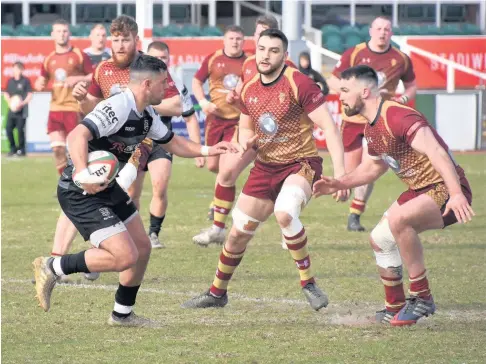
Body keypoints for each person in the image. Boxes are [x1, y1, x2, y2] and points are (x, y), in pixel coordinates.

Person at [32, 54, 238, 327]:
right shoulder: (118, 107)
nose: (167, 89)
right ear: (147, 84)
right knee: (124, 256)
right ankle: (52, 267)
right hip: (80, 191)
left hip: (108, 187)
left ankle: (122, 314)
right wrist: (83, 173)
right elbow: (76, 136)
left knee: (142, 248)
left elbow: (172, 142)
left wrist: (208, 150)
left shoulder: (146, 113)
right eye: (164, 83)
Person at [182, 29, 347, 311]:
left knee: (285, 212)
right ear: (255, 51)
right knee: (237, 234)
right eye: (261, 49)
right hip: (265, 166)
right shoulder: (248, 88)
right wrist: (245, 140)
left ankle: (308, 282)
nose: (266, 55)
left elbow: (329, 128)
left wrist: (342, 177)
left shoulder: (300, 83)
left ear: (285, 56)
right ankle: (217, 293)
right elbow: (246, 126)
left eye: (273, 50)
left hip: (301, 163)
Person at [313, 65, 474, 326]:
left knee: (400, 221)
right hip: (419, 190)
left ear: (364, 91)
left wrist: (456, 194)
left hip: (445, 187)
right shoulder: (371, 127)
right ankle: (394, 307)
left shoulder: (396, 115)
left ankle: (422, 297)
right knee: (379, 239)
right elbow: (373, 167)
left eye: (344, 90)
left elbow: (437, 152)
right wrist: (338, 183)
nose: (340, 97)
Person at [46, 15, 186, 282]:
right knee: (82, 193)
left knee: (133, 194)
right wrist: (82, 99)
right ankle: (62, 261)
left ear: (136, 40)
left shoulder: (149, 67)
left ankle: (109, 254)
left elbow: (176, 106)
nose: (120, 45)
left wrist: (136, 106)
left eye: (126, 40)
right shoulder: (103, 69)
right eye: (116, 40)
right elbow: (93, 109)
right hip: (112, 147)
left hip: (146, 141)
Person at [193, 15, 297, 248]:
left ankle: (289, 229)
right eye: (258, 34)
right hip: (251, 131)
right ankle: (218, 229)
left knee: (283, 183)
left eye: (266, 34)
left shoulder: (289, 67)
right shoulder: (250, 63)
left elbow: (298, 99)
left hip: (281, 136)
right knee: (225, 172)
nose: (260, 39)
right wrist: (235, 96)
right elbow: (245, 92)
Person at [326, 16, 417, 232]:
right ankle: (344, 189)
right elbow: (332, 80)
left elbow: (412, 85)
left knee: (371, 163)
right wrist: (351, 93)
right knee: (351, 173)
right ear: (370, 31)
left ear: (391, 33)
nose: (382, 32)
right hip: (352, 120)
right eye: (379, 28)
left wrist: (402, 99)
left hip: (379, 120)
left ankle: (355, 215)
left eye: (386, 29)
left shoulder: (401, 59)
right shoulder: (355, 53)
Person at [127, 40, 204, 249]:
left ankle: (153, 233)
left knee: (159, 186)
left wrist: (197, 149)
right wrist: (167, 106)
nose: (160, 61)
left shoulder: (175, 81)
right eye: (156, 57)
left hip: (162, 141)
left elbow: (187, 115)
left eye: (164, 58)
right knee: (132, 192)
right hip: (136, 140)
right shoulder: (135, 79)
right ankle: (133, 234)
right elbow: (133, 104)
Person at [191, 25, 249, 244]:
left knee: (226, 169)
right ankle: (220, 197)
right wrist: (204, 102)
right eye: (232, 38)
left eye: (239, 38)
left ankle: (218, 214)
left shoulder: (249, 62)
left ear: (243, 41)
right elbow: (197, 81)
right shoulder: (213, 58)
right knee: (213, 166)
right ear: (224, 40)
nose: (235, 42)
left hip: (238, 122)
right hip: (215, 120)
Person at [34, 19, 93, 175]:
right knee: (58, 149)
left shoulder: (79, 55)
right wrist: (39, 84)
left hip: (74, 108)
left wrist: (77, 79)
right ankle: (65, 183)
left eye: (65, 31)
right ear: (53, 35)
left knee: (77, 151)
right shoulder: (49, 58)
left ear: (69, 33)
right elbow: (43, 78)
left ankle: (81, 179)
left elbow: (93, 76)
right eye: (58, 31)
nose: (62, 34)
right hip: (55, 108)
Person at [4, 62, 32, 156]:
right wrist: (10, 103)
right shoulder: (10, 81)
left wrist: (22, 103)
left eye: (17, 69)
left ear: (21, 70)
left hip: (22, 110)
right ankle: (13, 148)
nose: (15, 71)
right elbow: (6, 94)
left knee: (20, 130)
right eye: (14, 69)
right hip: (12, 110)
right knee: (8, 128)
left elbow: (29, 95)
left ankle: (21, 150)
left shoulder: (25, 81)